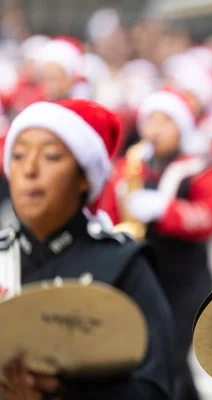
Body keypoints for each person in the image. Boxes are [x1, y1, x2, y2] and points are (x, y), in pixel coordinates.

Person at [0, 99, 174, 399]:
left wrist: (61, 391)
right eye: (17, 155)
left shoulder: (122, 263)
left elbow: (155, 388)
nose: (29, 169)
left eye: (51, 156)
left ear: (84, 177)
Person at [101, 88, 212, 400]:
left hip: (185, 281)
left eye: (165, 121)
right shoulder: (129, 167)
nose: (155, 130)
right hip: (142, 275)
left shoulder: (199, 168)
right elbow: (107, 211)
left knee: (170, 355)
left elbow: (211, 217)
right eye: (150, 121)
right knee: (154, 358)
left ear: (181, 127)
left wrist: (165, 211)